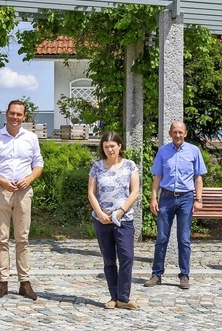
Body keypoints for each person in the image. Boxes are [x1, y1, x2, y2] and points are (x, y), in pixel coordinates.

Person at [0, 100, 44, 300]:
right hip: (1, 191)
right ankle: (3, 282)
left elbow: (38, 163)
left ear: (24, 117)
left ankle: (24, 282)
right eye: (12, 113)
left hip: (24, 192)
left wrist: (30, 178)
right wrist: (2, 181)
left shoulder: (31, 138)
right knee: (2, 238)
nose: (15, 117)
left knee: (23, 238)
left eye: (19, 114)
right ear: (6, 114)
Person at [144, 121, 207, 290]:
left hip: (186, 198)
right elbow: (157, 176)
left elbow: (198, 178)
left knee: (184, 239)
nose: (178, 135)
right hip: (166, 197)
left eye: (180, 132)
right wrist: (153, 198)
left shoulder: (194, 151)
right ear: (170, 133)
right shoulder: (163, 151)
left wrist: (198, 199)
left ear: (185, 133)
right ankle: (156, 274)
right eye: (175, 132)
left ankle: (184, 275)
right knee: (162, 238)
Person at [87, 131, 140, 309]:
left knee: (127, 256)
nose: (110, 149)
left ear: (120, 146)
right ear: (102, 148)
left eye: (113, 146)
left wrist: (122, 211)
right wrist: (100, 213)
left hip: (124, 219)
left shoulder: (130, 166)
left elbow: (134, 191)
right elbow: (91, 193)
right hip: (102, 219)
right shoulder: (96, 167)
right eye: (106, 146)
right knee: (109, 259)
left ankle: (123, 297)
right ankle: (113, 296)